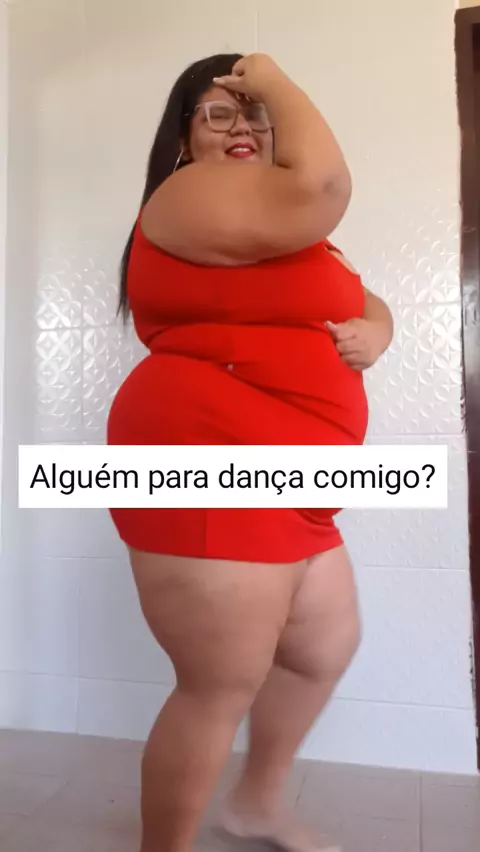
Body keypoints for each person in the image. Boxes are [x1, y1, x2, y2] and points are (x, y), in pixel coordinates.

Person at [107, 52, 393, 852]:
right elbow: (322, 186)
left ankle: (257, 805)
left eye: (254, 112)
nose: (243, 125)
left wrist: (378, 330)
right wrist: (269, 79)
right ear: (182, 140)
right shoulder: (191, 194)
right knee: (220, 681)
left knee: (320, 649)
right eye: (219, 111)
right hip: (209, 456)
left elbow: (361, 296)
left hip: (294, 482)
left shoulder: (279, 231)